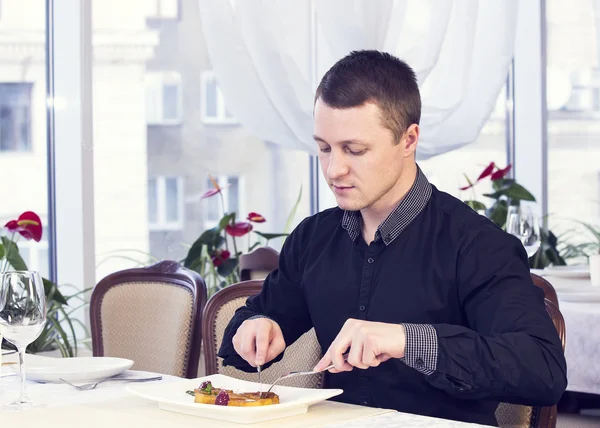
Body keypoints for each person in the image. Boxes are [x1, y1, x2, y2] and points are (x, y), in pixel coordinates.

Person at [218, 50, 567, 426]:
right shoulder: (312, 239)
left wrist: (405, 340)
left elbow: (542, 369)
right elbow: (257, 320)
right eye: (324, 148)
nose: (334, 169)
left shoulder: (477, 245)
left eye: (355, 149)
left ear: (409, 139)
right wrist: (254, 328)